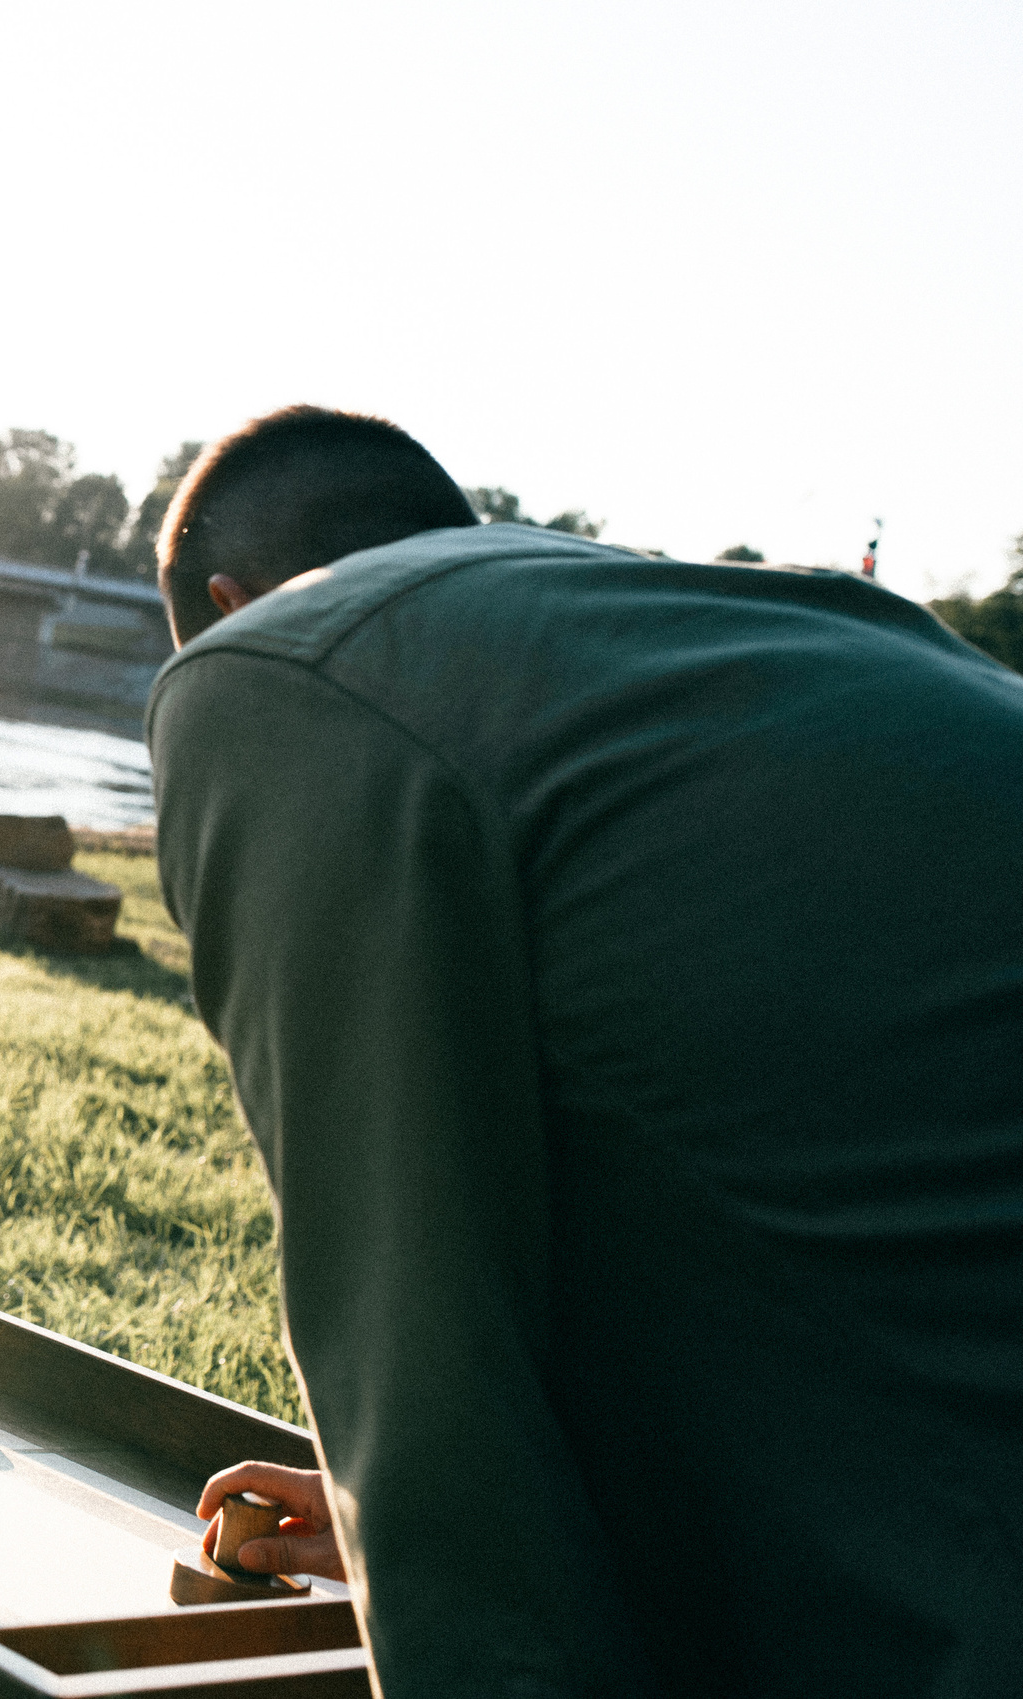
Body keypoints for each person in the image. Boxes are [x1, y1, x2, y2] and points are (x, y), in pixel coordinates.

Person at [145, 405, 1023, 1696]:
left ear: (228, 603)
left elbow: (427, 1363)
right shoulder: (757, 630)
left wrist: (433, 1544)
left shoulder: (278, 666)